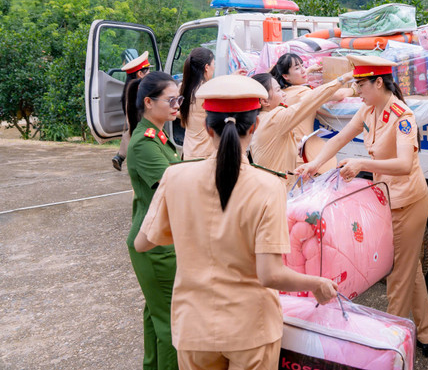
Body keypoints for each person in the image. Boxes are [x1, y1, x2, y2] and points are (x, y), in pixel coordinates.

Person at [134, 75, 338, 370]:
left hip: (194, 328)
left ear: (207, 127)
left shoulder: (175, 177)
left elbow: (143, 242)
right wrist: (317, 283)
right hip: (250, 330)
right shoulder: (269, 186)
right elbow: (270, 275)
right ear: (253, 126)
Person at [295, 54, 428, 357]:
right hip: (387, 200)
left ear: (379, 82)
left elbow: (404, 163)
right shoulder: (369, 109)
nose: (357, 90)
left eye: (361, 85)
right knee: (409, 270)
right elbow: (339, 138)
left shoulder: (402, 116)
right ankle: (425, 334)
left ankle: (388, 345)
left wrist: (362, 163)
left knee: (397, 275)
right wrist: (314, 164)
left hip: (409, 202)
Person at [126, 71, 183, 370]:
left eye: (179, 99)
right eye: (171, 100)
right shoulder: (144, 144)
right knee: (170, 322)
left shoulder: (159, 136)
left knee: (156, 313)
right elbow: (175, 185)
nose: (177, 105)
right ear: (148, 102)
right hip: (154, 246)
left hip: (158, 240)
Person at [250, 70, 353, 177]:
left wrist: (294, 148)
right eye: (278, 90)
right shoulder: (273, 118)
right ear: (264, 101)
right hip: (278, 188)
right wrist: (343, 79)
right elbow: (310, 101)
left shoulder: (260, 119)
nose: (284, 94)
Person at [270, 53, 352, 173]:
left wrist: (309, 70)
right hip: (301, 154)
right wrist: (355, 88)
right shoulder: (303, 93)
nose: (303, 70)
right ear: (286, 76)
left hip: (286, 152)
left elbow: (296, 77)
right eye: (297, 68)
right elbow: (338, 95)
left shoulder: (282, 91)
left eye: (303, 66)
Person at [112, 50, 151, 171]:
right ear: (140, 73)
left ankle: (120, 156)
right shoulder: (140, 90)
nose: (150, 72)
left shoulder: (128, 88)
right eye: (148, 70)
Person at [179, 47, 216, 160]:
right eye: (213, 64)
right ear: (206, 67)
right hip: (204, 155)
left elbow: (184, 114)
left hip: (188, 152)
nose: (214, 68)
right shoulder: (207, 91)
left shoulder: (183, 87)